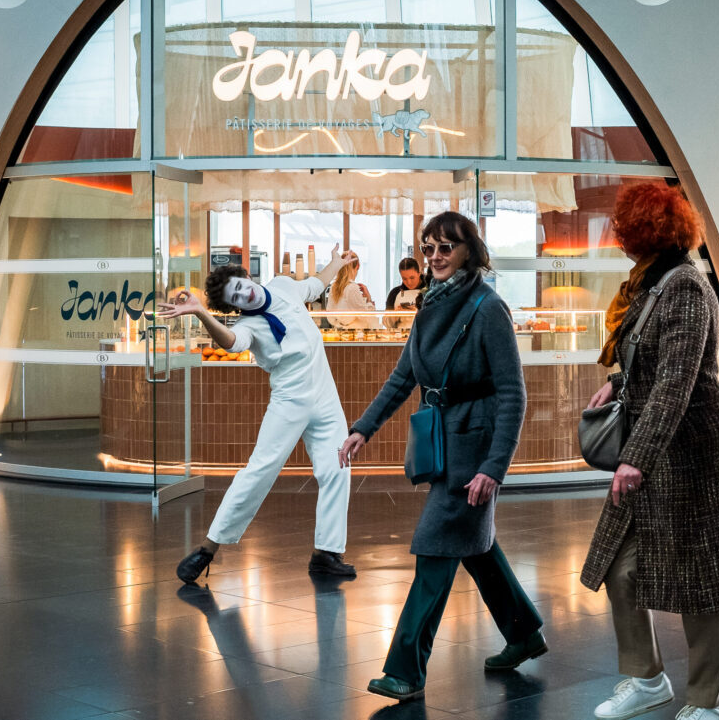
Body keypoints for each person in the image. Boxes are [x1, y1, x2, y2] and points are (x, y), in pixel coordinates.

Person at [339, 212, 546, 703]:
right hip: (443, 444)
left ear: (469, 251)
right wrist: (362, 428)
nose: (434, 256)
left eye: (445, 247)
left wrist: (494, 468)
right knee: (474, 546)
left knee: (436, 547)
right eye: (428, 247)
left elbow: (513, 394)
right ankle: (523, 634)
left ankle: (405, 670)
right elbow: (403, 377)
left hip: (474, 448)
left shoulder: (488, 307)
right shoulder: (430, 304)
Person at [580, 183, 719, 720]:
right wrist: (618, 381)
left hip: (691, 453)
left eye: (625, 227)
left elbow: (676, 383)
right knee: (619, 567)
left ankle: (707, 703)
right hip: (659, 445)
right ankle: (647, 678)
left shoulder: (684, 286)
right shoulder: (652, 282)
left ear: (648, 230)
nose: (619, 237)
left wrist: (634, 458)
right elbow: (652, 361)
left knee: (702, 579)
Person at [158, 245, 360, 582]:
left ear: (247, 276)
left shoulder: (283, 285)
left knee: (338, 467)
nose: (244, 294)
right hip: (289, 400)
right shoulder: (249, 325)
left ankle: (327, 553)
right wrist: (201, 313)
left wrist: (335, 264)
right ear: (235, 306)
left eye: (240, 286)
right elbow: (230, 342)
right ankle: (208, 548)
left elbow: (315, 284)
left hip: (325, 397)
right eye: (235, 298)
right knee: (259, 471)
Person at [327, 255, 380, 329]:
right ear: (358, 266)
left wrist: (340, 325)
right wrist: (369, 299)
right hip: (354, 332)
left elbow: (330, 317)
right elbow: (365, 316)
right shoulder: (352, 287)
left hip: (339, 331)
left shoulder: (334, 286)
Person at [383, 257, 426, 329]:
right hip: (400, 334)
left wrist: (419, 313)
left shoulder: (431, 290)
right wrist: (395, 316)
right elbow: (386, 323)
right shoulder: (394, 293)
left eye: (412, 278)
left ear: (419, 273)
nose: (409, 282)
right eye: (404, 278)